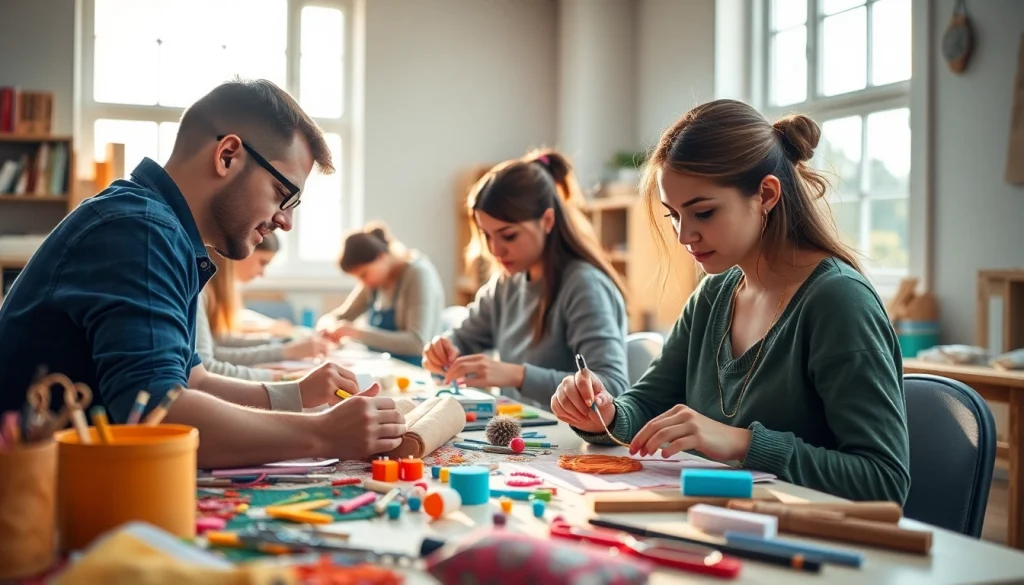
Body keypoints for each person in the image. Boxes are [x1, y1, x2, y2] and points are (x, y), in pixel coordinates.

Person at [0, 79, 405, 468]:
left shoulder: (161, 227)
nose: (285, 222)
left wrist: (297, 394)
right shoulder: (140, 229)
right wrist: (324, 434)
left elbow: (192, 381)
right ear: (228, 155)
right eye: (284, 196)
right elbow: (160, 411)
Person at [550, 99, 911, 504]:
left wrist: (741, 443)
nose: (685, 235)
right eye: (673, 216)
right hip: (718, 525)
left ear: (767, 195)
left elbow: (884, 481)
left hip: (803, 547)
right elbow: (647, 404)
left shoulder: (838, 302)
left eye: (703, 213)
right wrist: (604, 414)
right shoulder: (714, 295)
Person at [422, 149, 630, 408]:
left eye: (508, 235)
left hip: (569, 441)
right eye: (486, 235)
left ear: (547, 220)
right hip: (521, 431)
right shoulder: (506, 283)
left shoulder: (583, 285)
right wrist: (442, 348)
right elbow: (462, 339)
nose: (495, 250)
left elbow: (612, 385)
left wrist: (517, 375)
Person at [197, 232, 334, 381]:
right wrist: (283, 375)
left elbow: (219, 343)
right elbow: (207, 365)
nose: (262, 273)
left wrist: (285, 343)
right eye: (262, 262)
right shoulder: (200, 291)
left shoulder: (212, 291)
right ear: (240, 249)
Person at [317, 223, 445, 366]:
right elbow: (341, 315)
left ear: (381, 257)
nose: (362, 282)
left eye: (364, 274)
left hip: (416, 370)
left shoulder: (418, 274)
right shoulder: (374, 282)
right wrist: (328, 326)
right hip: (385, 367)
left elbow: (417, 342)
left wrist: (356, 333)